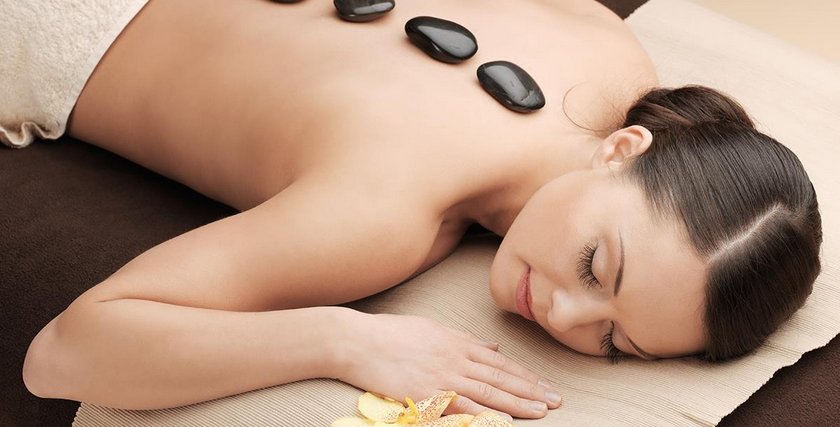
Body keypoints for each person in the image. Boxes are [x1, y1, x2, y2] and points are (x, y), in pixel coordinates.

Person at [16, 0, 821, 421]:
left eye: (614, 342)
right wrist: (347, 339)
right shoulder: (385, 218)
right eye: (595, 265)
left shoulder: (609, 49)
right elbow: (61, 354)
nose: (564, 313)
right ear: (623, 149)